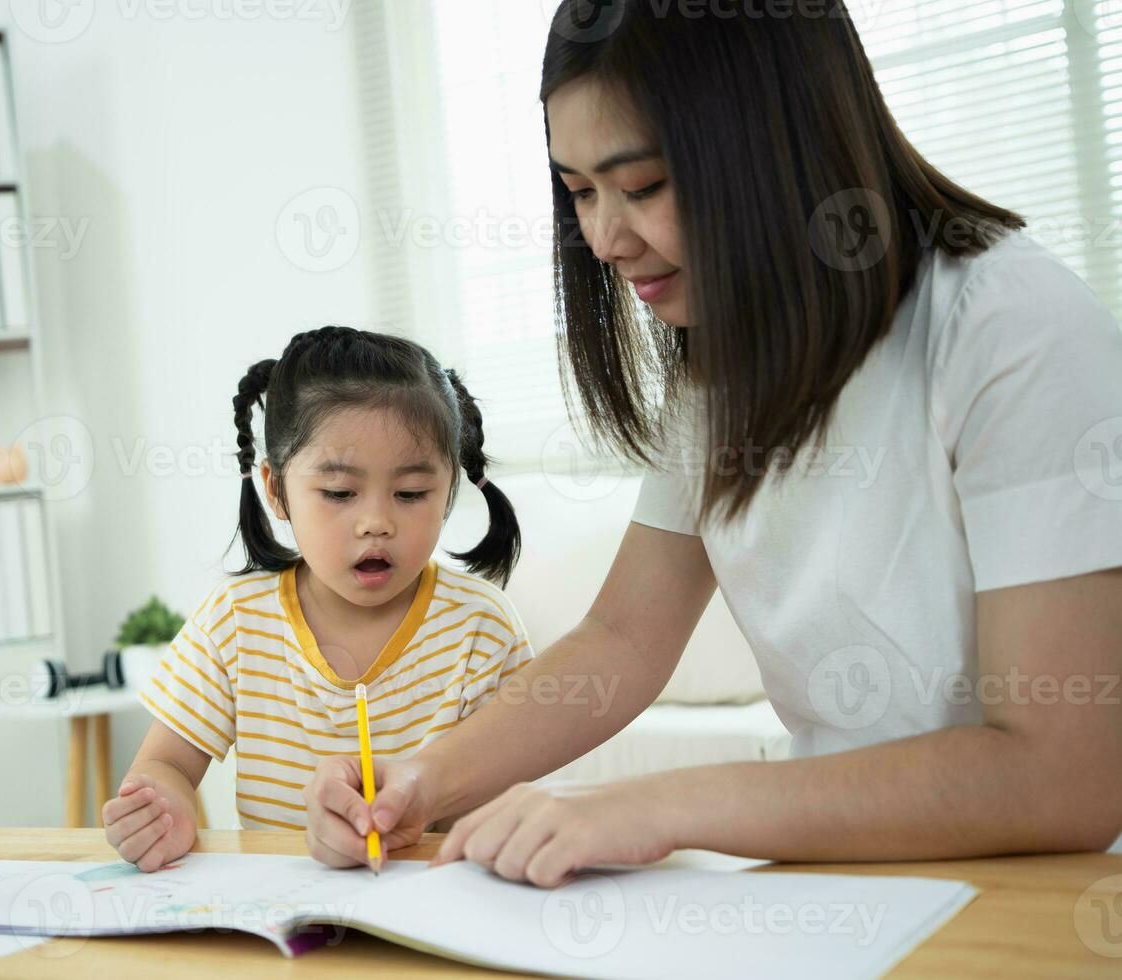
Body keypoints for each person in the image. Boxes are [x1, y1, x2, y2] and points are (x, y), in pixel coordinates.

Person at [302, 0, 1122, 885]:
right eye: (580, 191)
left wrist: (658, 807)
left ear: (783, 139)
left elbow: (1064, 775)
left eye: (644, 183)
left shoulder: (1013, 327)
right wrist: (423, 778)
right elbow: (622, 639)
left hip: (1032, 896)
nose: (607, 239)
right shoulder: (723, 367)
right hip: (844, 887)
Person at [103, 325, 533, 871]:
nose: (376, 522)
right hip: (283, 921)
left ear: (449, 491)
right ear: (277, 490)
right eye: (338, 493)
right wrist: (164, 809)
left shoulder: (481, 627)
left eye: (411, 494)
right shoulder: (236, 621)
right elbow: (166, 765)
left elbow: (506, 799)